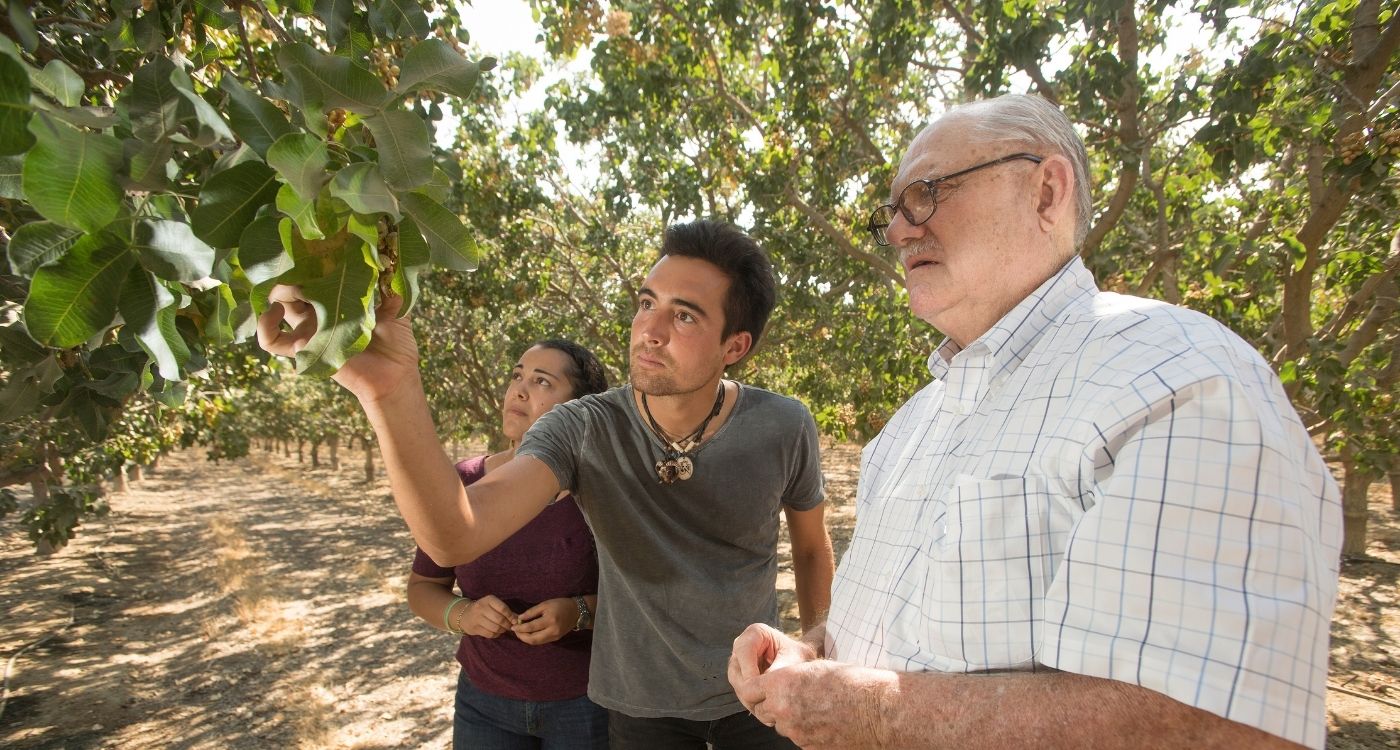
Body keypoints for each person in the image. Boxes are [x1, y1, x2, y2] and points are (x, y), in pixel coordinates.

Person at [728, 94, 1342, 750]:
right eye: (894, 212)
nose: (901, 230)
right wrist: (812, 655)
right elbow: (891, 636)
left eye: (928, 193)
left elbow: (1227, 726)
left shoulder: (1179, 376)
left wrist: (875, 711)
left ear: (1047, 191)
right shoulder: (905, 432)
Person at [258, 219, 836, 750]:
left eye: (684, 316)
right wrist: (389, 389)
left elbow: (812, 549)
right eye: (645, 304)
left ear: (735, 347)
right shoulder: (584, 427)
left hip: (755, 694)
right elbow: (456, 536)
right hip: (640, 711)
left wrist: (812, 650)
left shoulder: (783, 425)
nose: (649, 331)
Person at [406, 338, 610, 748]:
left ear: (579, 409)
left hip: (585, 704)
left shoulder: (604, 491)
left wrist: (579, 611)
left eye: (541, 382)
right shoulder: (463, 482)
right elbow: (423, 588)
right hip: (484, 703)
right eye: (517, 375)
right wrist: (463, 615)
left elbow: (642, 596)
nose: (518, 389)